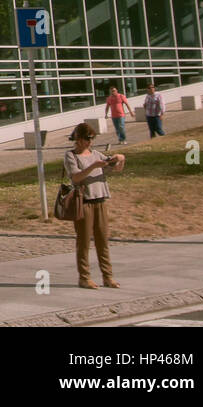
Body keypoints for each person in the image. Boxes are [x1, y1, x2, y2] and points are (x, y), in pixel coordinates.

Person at [63, 123, 125, 289]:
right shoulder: (71, 156)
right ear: (78, 138)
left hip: (100, 200)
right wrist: (93, 166)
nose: (90, 142)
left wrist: (120, 160)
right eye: (87, 139)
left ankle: (108, 276)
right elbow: (76, 177)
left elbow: (115, 169)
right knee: (83, 242)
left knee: (102, 240)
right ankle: (84, 277)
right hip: (84, 202)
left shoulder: (96, 154)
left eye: (92, 138)